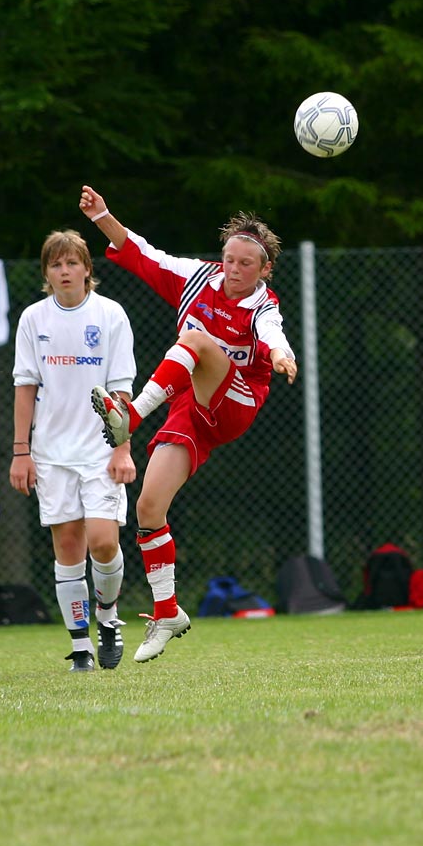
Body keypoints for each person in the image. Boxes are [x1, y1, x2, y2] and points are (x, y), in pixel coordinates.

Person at [79, 185, 298, 663]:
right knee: (148, 507)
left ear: (265, 270)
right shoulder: (198, 279)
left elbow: (274, 334)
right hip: (189, 409)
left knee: (195, 341)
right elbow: (141, 253)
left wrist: (282, 355)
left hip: (236, 403)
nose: (235, 270)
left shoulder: (263, 305)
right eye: (230, 259)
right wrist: (102, 216)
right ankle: (168, 611)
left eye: (247, 264)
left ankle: (130, 415)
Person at [10, 229, 137, 672]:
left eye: (72, 263)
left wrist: (122, 450)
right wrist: (21, 452)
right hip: (50, 452)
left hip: (101, 451)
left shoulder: (110, 315)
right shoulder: (33, 319)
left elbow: (121, 391)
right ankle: (81, 647)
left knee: (102, 543)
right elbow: (25, 386)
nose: (64, 271)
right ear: (46, 272)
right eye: (55, 264)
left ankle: (108, 617)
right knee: (67, 546)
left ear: (87, 268)